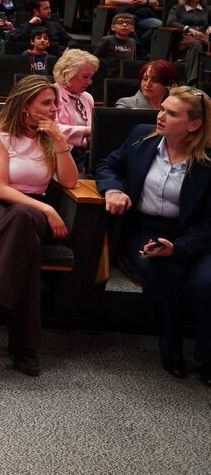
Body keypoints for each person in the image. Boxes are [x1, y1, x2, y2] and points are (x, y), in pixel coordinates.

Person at [97, 86, 211, 383]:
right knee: (165, 272)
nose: (160, 116)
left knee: (206, 282)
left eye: (171, 113)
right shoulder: (142, 136)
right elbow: (108, 165)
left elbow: (208, 222)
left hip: (197, 235)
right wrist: (113, 189)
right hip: (146, 228)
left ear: (194, 124)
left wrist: (180, 247)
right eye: (161, 109)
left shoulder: (207, 160)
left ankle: (207, 357)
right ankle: (170, 345)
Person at [0, 75, 79, 376]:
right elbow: (1, 189)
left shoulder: (52, 138)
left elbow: (70, 182)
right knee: (26, 241)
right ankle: (24, 346)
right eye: (46, 103)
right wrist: (47, 209)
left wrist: (61, 143)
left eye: (55, 103)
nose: (54, 109)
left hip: (31, 211)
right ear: (25, 106)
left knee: (22, 219)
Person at [53, 49, 99, 165]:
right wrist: (86, 131)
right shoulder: (51, 95)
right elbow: (51, 129)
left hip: (86, 155)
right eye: (85, 77)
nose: (90, 82)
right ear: (67, 74)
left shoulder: (87, 97)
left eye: (91, 77)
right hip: (58, 155)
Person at [164, 0, 209, 86]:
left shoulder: (206, 8)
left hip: (203, 37)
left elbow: (209, 23)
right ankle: (192, 82)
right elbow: (170, 22)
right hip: (185, 38)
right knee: (196, 45)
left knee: (199, 44)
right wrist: (188, 28)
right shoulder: (178, 8)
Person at [8, 0, 74, 49]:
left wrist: (69, 48)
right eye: (46, 8)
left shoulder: (55, 26)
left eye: (49, 8)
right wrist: (30, 24)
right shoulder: (25, 26)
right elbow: (12, 39)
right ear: (36, 11)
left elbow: (70, 40)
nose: (50, 11)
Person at [93, 12, 138, 78]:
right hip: (110, 77)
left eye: (128, 23)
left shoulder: (132, 41)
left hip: (126, 76)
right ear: (113, 27)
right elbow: (94, 58)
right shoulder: (107, 40)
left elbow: (133, 61)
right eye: (120, 22)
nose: (124, 25)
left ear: (132, 28)